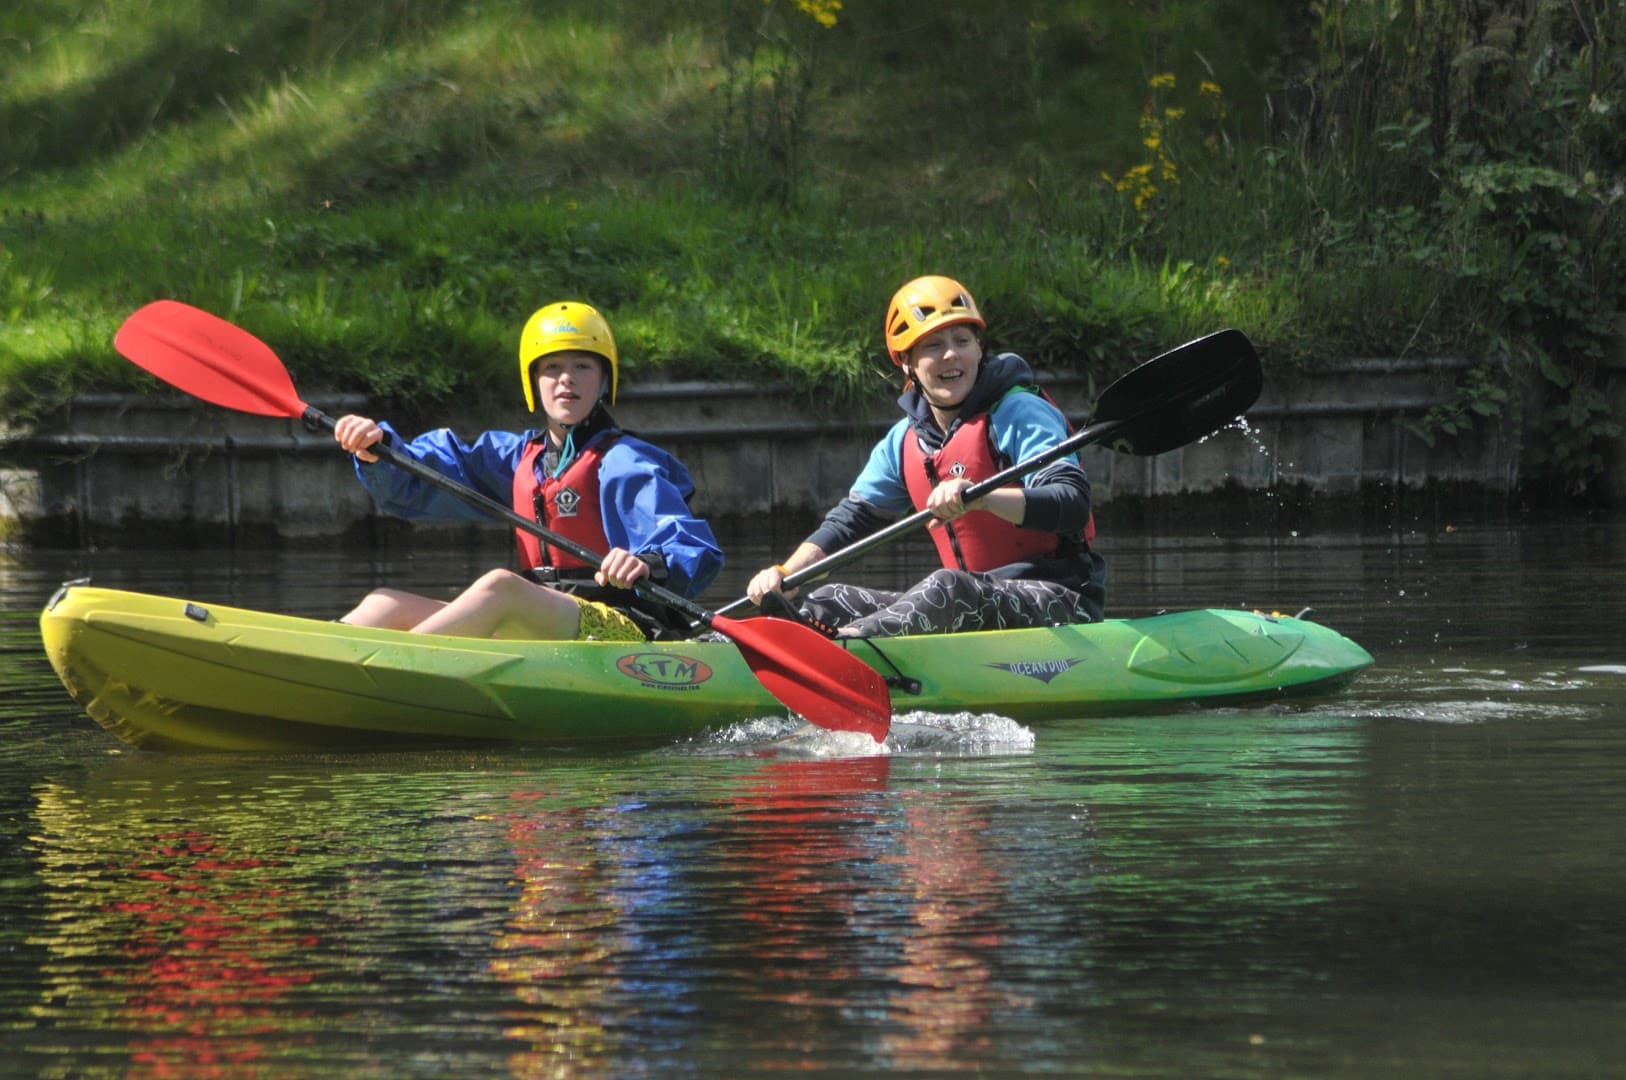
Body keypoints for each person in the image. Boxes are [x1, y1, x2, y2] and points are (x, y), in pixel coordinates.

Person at [332, 301, 723, 642]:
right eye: (552, 367)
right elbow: (424, 475)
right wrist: (379, 449)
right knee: (385, 603)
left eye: (582, 365)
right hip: (544, 624)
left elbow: (688, 541)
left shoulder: (625, 462)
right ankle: (323, 660)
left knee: (501, 586)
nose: (566, 378)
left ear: (605, 381)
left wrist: (649, 562)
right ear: (533, 382)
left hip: (623, 628)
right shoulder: (517, 458)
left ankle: (395, 669)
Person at [746, 274, 1106, 638]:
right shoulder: (905, 440)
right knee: (829, 599)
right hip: (969, 609)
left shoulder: (1019, 411)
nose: (951, 354)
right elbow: (851, 522)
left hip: (1061, 601)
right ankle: (755, 644)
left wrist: (983, 498)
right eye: (933, 345)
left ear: (978, 349)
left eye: (962, 340)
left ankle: (846, 646)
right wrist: (787, 574)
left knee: (947, 586)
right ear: (906, 363)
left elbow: (1071, 502)